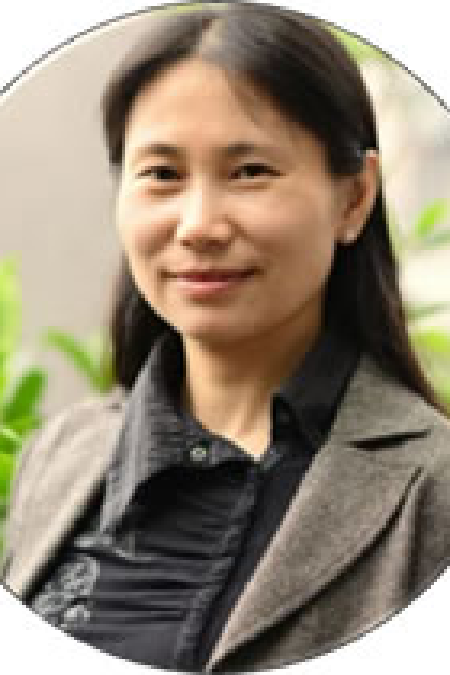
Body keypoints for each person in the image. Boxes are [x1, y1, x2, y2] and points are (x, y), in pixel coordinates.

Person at [2, 4, 450, 673]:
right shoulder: (60, 456)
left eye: (250, 172)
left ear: (354, 198)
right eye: (162, 174)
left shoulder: (433, 489)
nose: (199, 225)